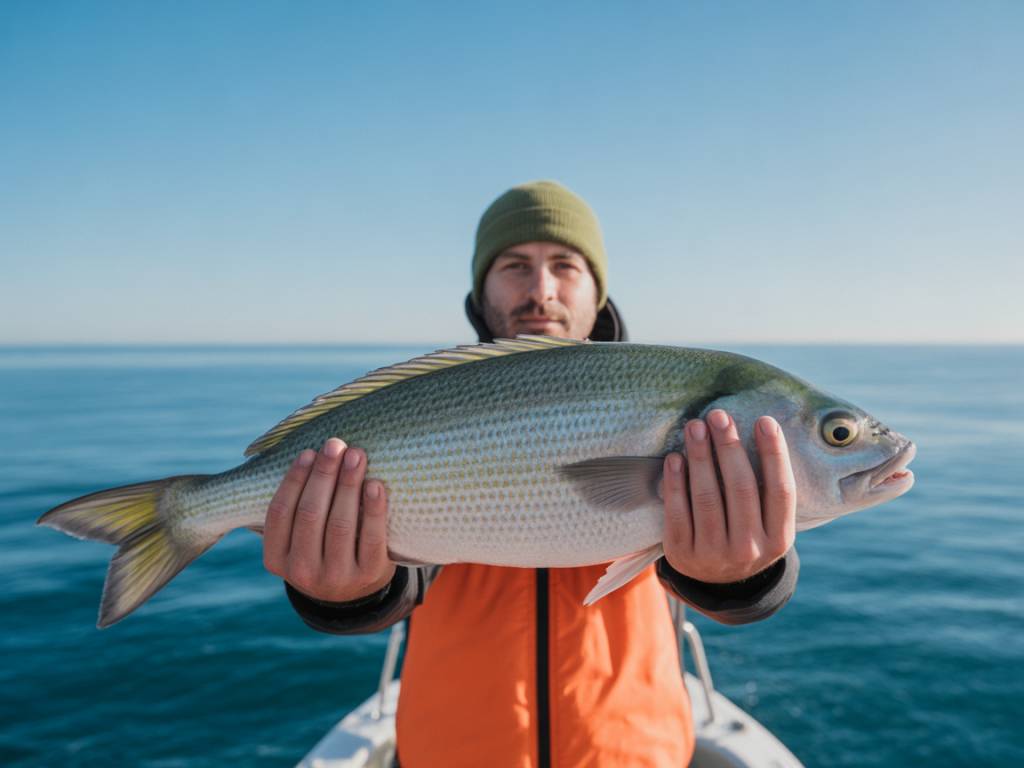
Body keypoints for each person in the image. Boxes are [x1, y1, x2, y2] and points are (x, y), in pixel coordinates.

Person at [262, 181, 800, 767]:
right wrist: (344, 595)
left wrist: (739, 576)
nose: (541, 290)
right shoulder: (427, 408)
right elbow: (401, 582)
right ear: (481, 290)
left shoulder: (670, 403)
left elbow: (736, 599)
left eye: (565, 265)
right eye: (515, 266)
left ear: (598, 292)